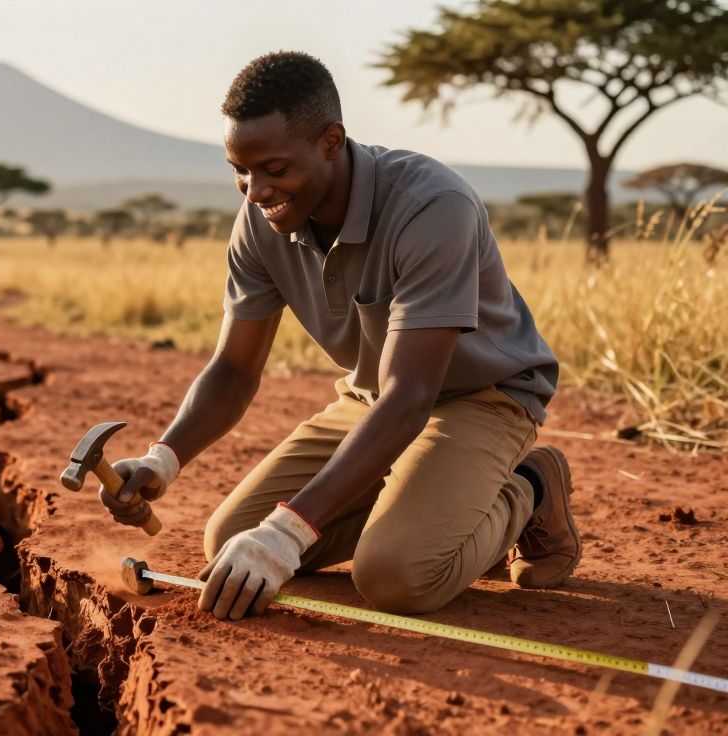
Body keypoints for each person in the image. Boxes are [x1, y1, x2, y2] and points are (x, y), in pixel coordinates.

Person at [99, 51, 579, 620]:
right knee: (229, 538)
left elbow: (412, 394)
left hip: (481, 398)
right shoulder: (260, 218)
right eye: (240, 170)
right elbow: (233, 370)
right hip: (373, 399)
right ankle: (423, 498)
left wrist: (288, 531)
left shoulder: (430, 206)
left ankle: (527, 489)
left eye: (274, 170)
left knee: (396, 576)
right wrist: (163, 460)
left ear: (332, 142)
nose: (254, 191)